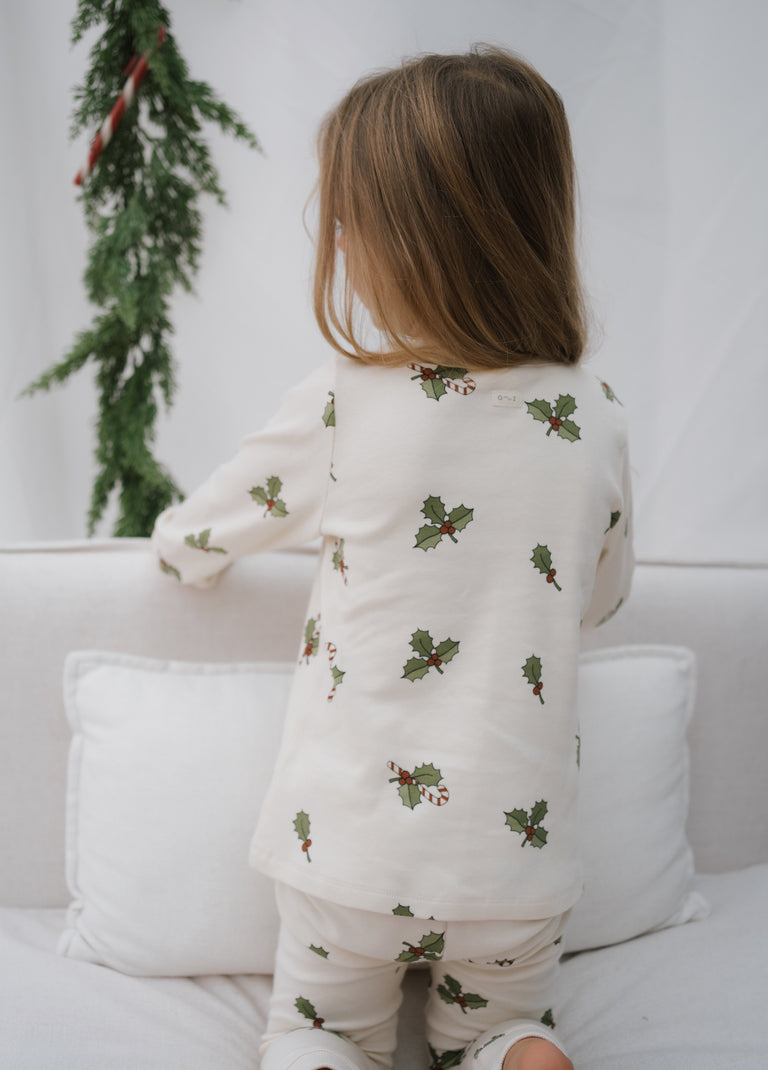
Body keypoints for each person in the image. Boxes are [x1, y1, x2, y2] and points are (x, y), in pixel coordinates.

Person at [152, 45, 633, 1070]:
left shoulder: (346, 399)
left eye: (345, 215)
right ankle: (514, 1045)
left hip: (351, 852)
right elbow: (599, 595)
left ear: (404, 242)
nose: (333, 234)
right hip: (514, 858)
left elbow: (194, 537)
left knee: (320, 1030)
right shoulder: (589, 415)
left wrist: (179, 551)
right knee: (504, 1024)